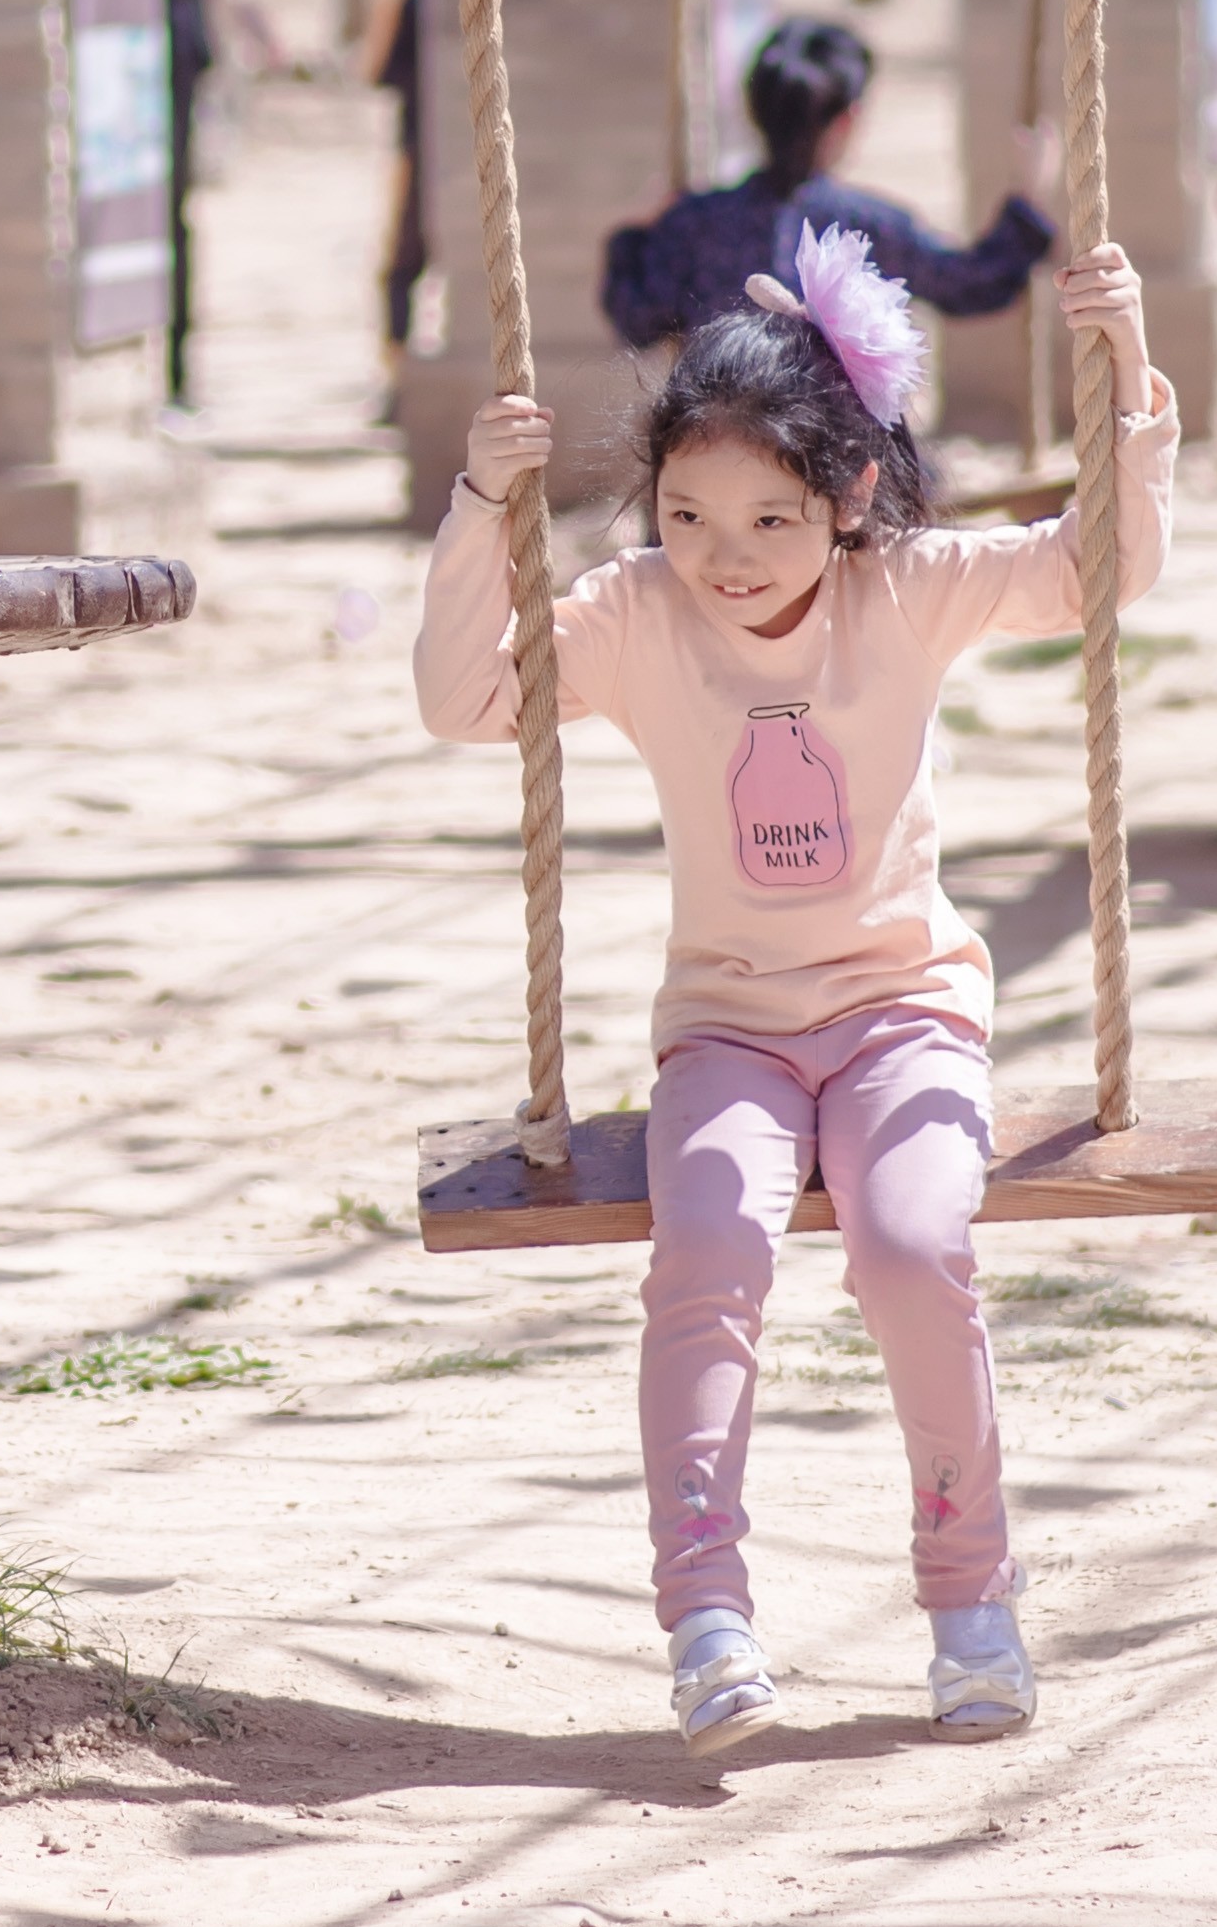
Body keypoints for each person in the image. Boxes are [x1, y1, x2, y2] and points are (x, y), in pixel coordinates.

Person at [424, 222, 1175, 1757]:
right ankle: (705, 1613)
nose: (728, 552)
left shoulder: (900, 590)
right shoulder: (636, 614)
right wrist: (480, 501)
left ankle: (971, 1599)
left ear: (845, 499)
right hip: (731, 1031)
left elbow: (1108, 565)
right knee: (706, 1252)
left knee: (911, 1244)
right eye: (689, 511)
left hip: (906, 1012)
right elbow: (464, 700)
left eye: (770, 514)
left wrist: (1129, 363)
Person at [598, 16, 1056, 353]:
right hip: (835, 456)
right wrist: (1028, 202)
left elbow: (637, 319)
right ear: (845, 122)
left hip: (723, 448)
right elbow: (970, 285)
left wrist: (635, 236)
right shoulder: (865, 227)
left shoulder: (693, 222)